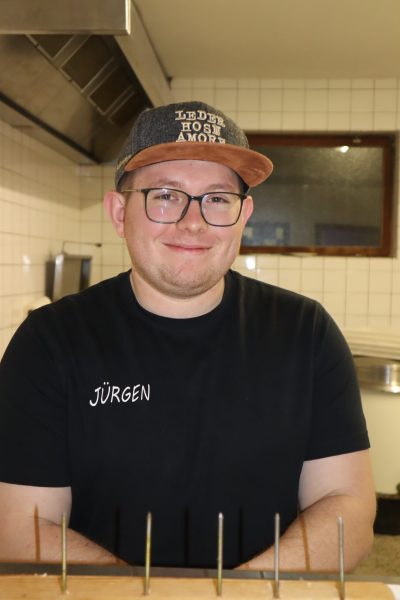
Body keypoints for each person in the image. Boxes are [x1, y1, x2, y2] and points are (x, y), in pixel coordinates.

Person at [0, 101, 375, 572]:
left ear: (243, 215)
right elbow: (19, 526)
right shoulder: (50, 342)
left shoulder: (307, 333)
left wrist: (238, 595)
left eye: (217, 199)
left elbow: (347, 506)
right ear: (119, 212)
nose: (193, 222)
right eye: (165, 195)